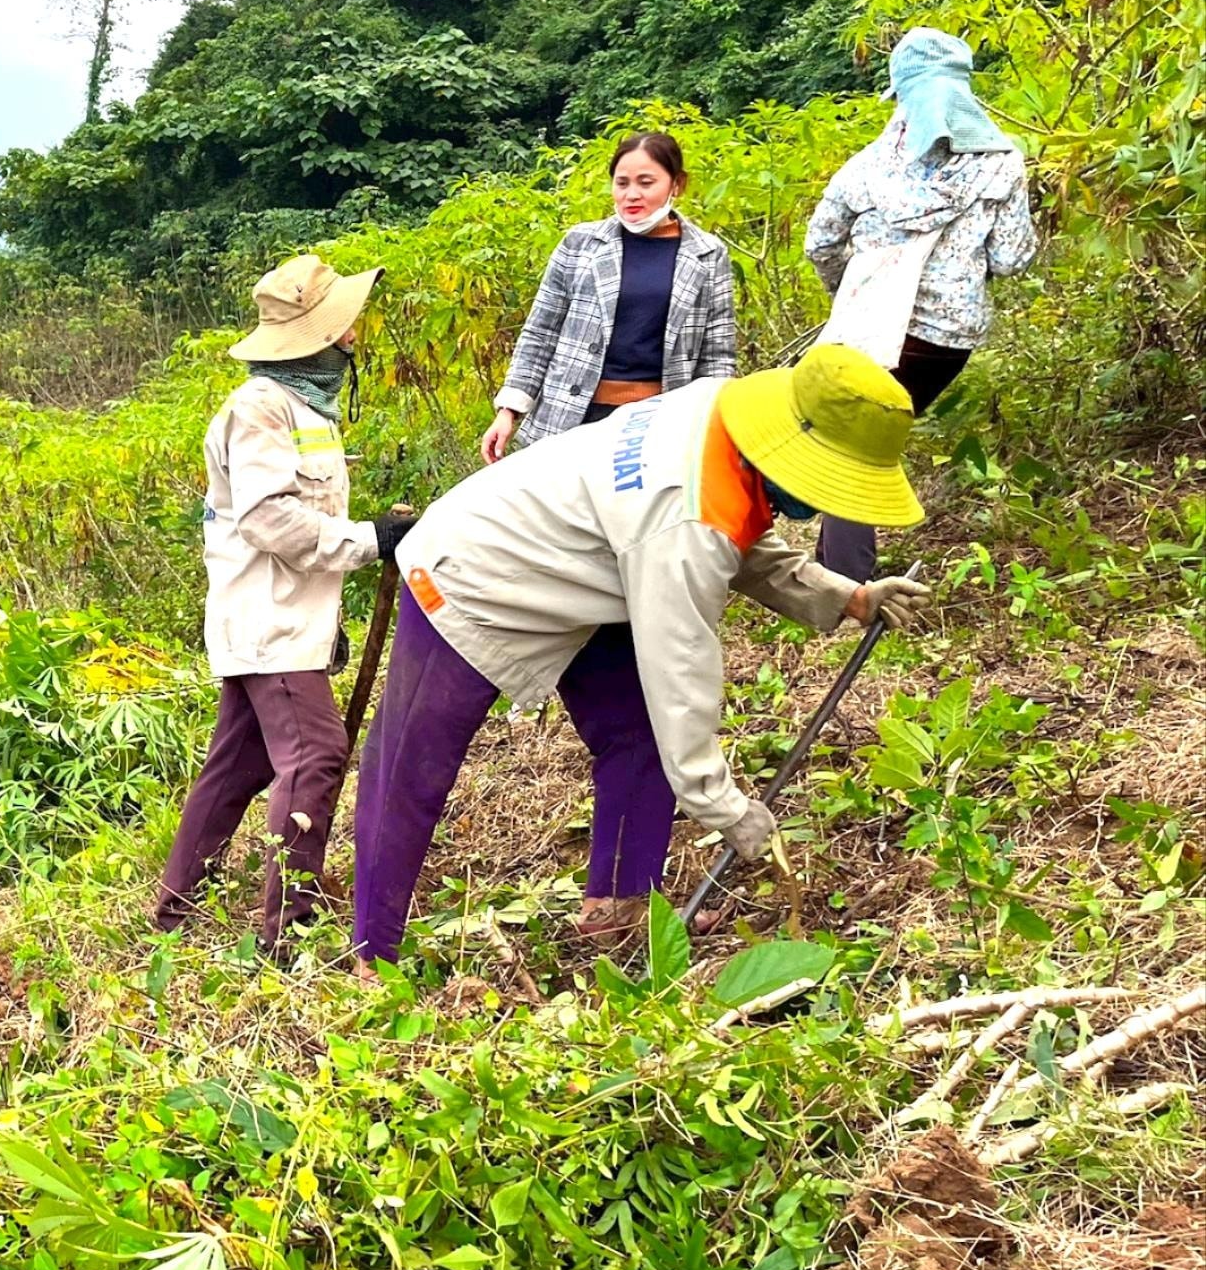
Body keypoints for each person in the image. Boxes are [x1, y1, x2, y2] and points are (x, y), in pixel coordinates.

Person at [351, 344, 936, 966]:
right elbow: (678, 669)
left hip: (592, 563)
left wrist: (849, 597)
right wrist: (723, 804)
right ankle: (371, 952)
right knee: (413, 770)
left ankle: (620, 911)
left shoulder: (723, 412)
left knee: (637, 738)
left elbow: (736, 531)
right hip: (475, 572)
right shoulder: (681, 522)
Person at [153, 252, 414, 955]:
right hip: (265, 619)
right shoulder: (259, 409)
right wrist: (370, 540)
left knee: (239, 763)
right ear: (317, 338)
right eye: (344, 327)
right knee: (317, 752)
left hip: (286, 619)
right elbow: (270, 519)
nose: (354, 337)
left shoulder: (306, 408)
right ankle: (286, 933)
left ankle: (174, 913)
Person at [805, 25, 1035, 580]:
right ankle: (839, 565)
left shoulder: (868, 169)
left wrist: (848, 289)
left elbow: (821, 242)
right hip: (945, 341)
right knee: (865, 435)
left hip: (871, 328)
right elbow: (1010, 259)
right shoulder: (1003, 163)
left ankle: (842, 575)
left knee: (844, 438)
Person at [482, 131, 737, 463]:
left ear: (677, 184)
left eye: (646, 183)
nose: (632, 194)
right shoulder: (581, 244)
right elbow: (540, 332)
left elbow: (717, 357)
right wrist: (509, 410)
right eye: (622, 183)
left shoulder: (708, 255)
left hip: (658, 427)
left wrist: (713, 424)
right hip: (569, 419)